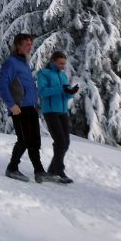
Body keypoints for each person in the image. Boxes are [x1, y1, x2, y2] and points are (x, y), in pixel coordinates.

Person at [0, 33, 56, 182]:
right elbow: (2, 85)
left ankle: (39, 171)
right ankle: (12, 168)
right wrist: (11, 105)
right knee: (23, 140)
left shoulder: (23, 63)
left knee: (35, 140)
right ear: (18, 45)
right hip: (19, 107)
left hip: (30, 106)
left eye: (31, 44)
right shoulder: (11, 63)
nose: (30, 47)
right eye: (26, 44)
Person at [37, 51, 78, 184]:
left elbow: (64, 93)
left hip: (62, 111)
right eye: (60, 63)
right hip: (50, 112)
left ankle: (53, 170)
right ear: (53, 61)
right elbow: (42, 92)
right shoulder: (44, 74)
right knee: (60, 142)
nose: (63, 66)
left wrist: (70, 93)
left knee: (65, 142)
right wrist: (61, 88)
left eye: (64, 64)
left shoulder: (62, 75)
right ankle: (59, 171)